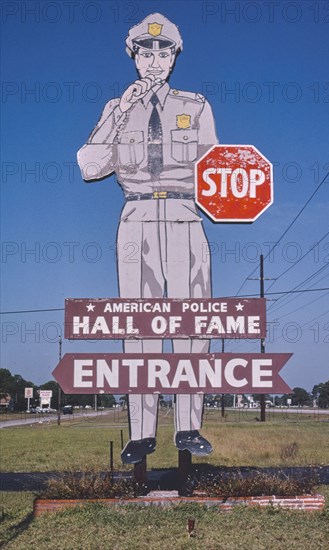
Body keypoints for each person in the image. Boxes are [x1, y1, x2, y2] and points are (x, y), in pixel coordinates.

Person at [77, 13, 218, 464]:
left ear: (175, 56)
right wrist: (119, 112)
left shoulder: (194, 106)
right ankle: (141, 432)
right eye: (145, 51)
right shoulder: (116, 109)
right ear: (133, 56)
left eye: (163, 51)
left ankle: (189, 426)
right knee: (140, 326)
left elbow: (214, 167)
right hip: (135, 216)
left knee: (192, 323)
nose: (154, 59)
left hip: (184, 214)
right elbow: (90, 166)